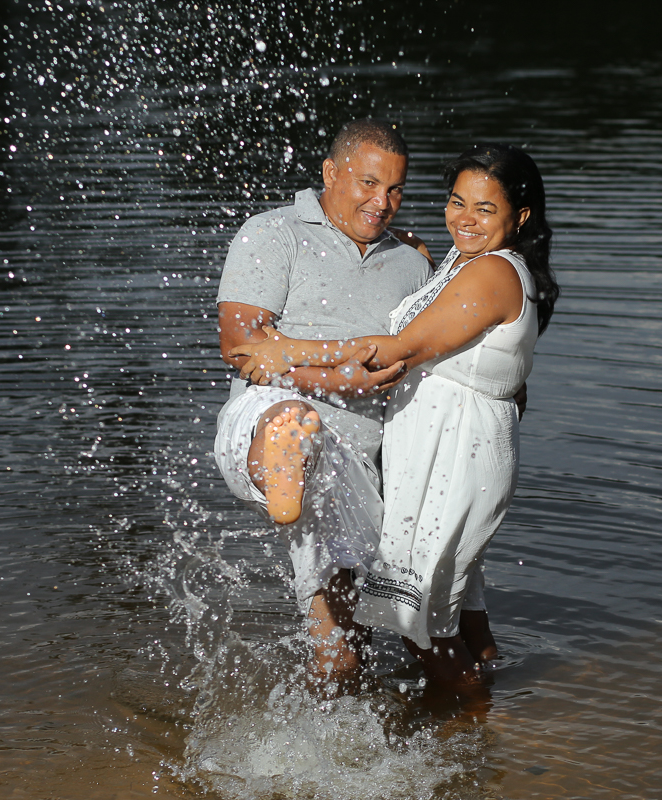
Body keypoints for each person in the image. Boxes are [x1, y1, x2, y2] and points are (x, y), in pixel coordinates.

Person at [232, 143, 559, 684]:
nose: (465, 220)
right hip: (444, 451)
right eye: (457, 202)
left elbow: (398, 350)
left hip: (453, 459)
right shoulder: (463, 260)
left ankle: (469, 734)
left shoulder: (494, 274)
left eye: (484, 209)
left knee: (421, 628)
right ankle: (491, 725)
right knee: (459, 619)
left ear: (519, 217)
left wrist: (285, 351)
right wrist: (401, 247)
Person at [212, 118, 433, 682]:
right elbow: (240, 345)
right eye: (367, 183)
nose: (382, 203)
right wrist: (340, 377)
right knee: (294, 419)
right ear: (330, 173)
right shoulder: (274, 232)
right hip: (265, 417)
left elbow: (422, 359)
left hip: (354, 465)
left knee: (342, 658)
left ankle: (327, 746)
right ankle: (287, 472)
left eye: (396, 189)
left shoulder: (412, 264)